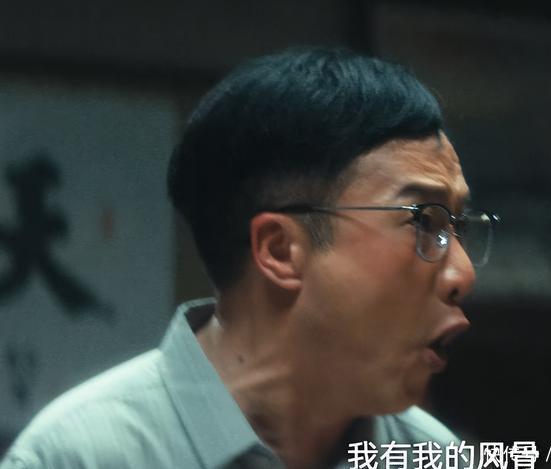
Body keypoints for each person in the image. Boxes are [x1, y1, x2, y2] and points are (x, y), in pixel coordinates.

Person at [1, 47, 498, 469]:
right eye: (424, 221)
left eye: (458, 226)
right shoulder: (80, 456)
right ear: (280, 250)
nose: (463, 273)